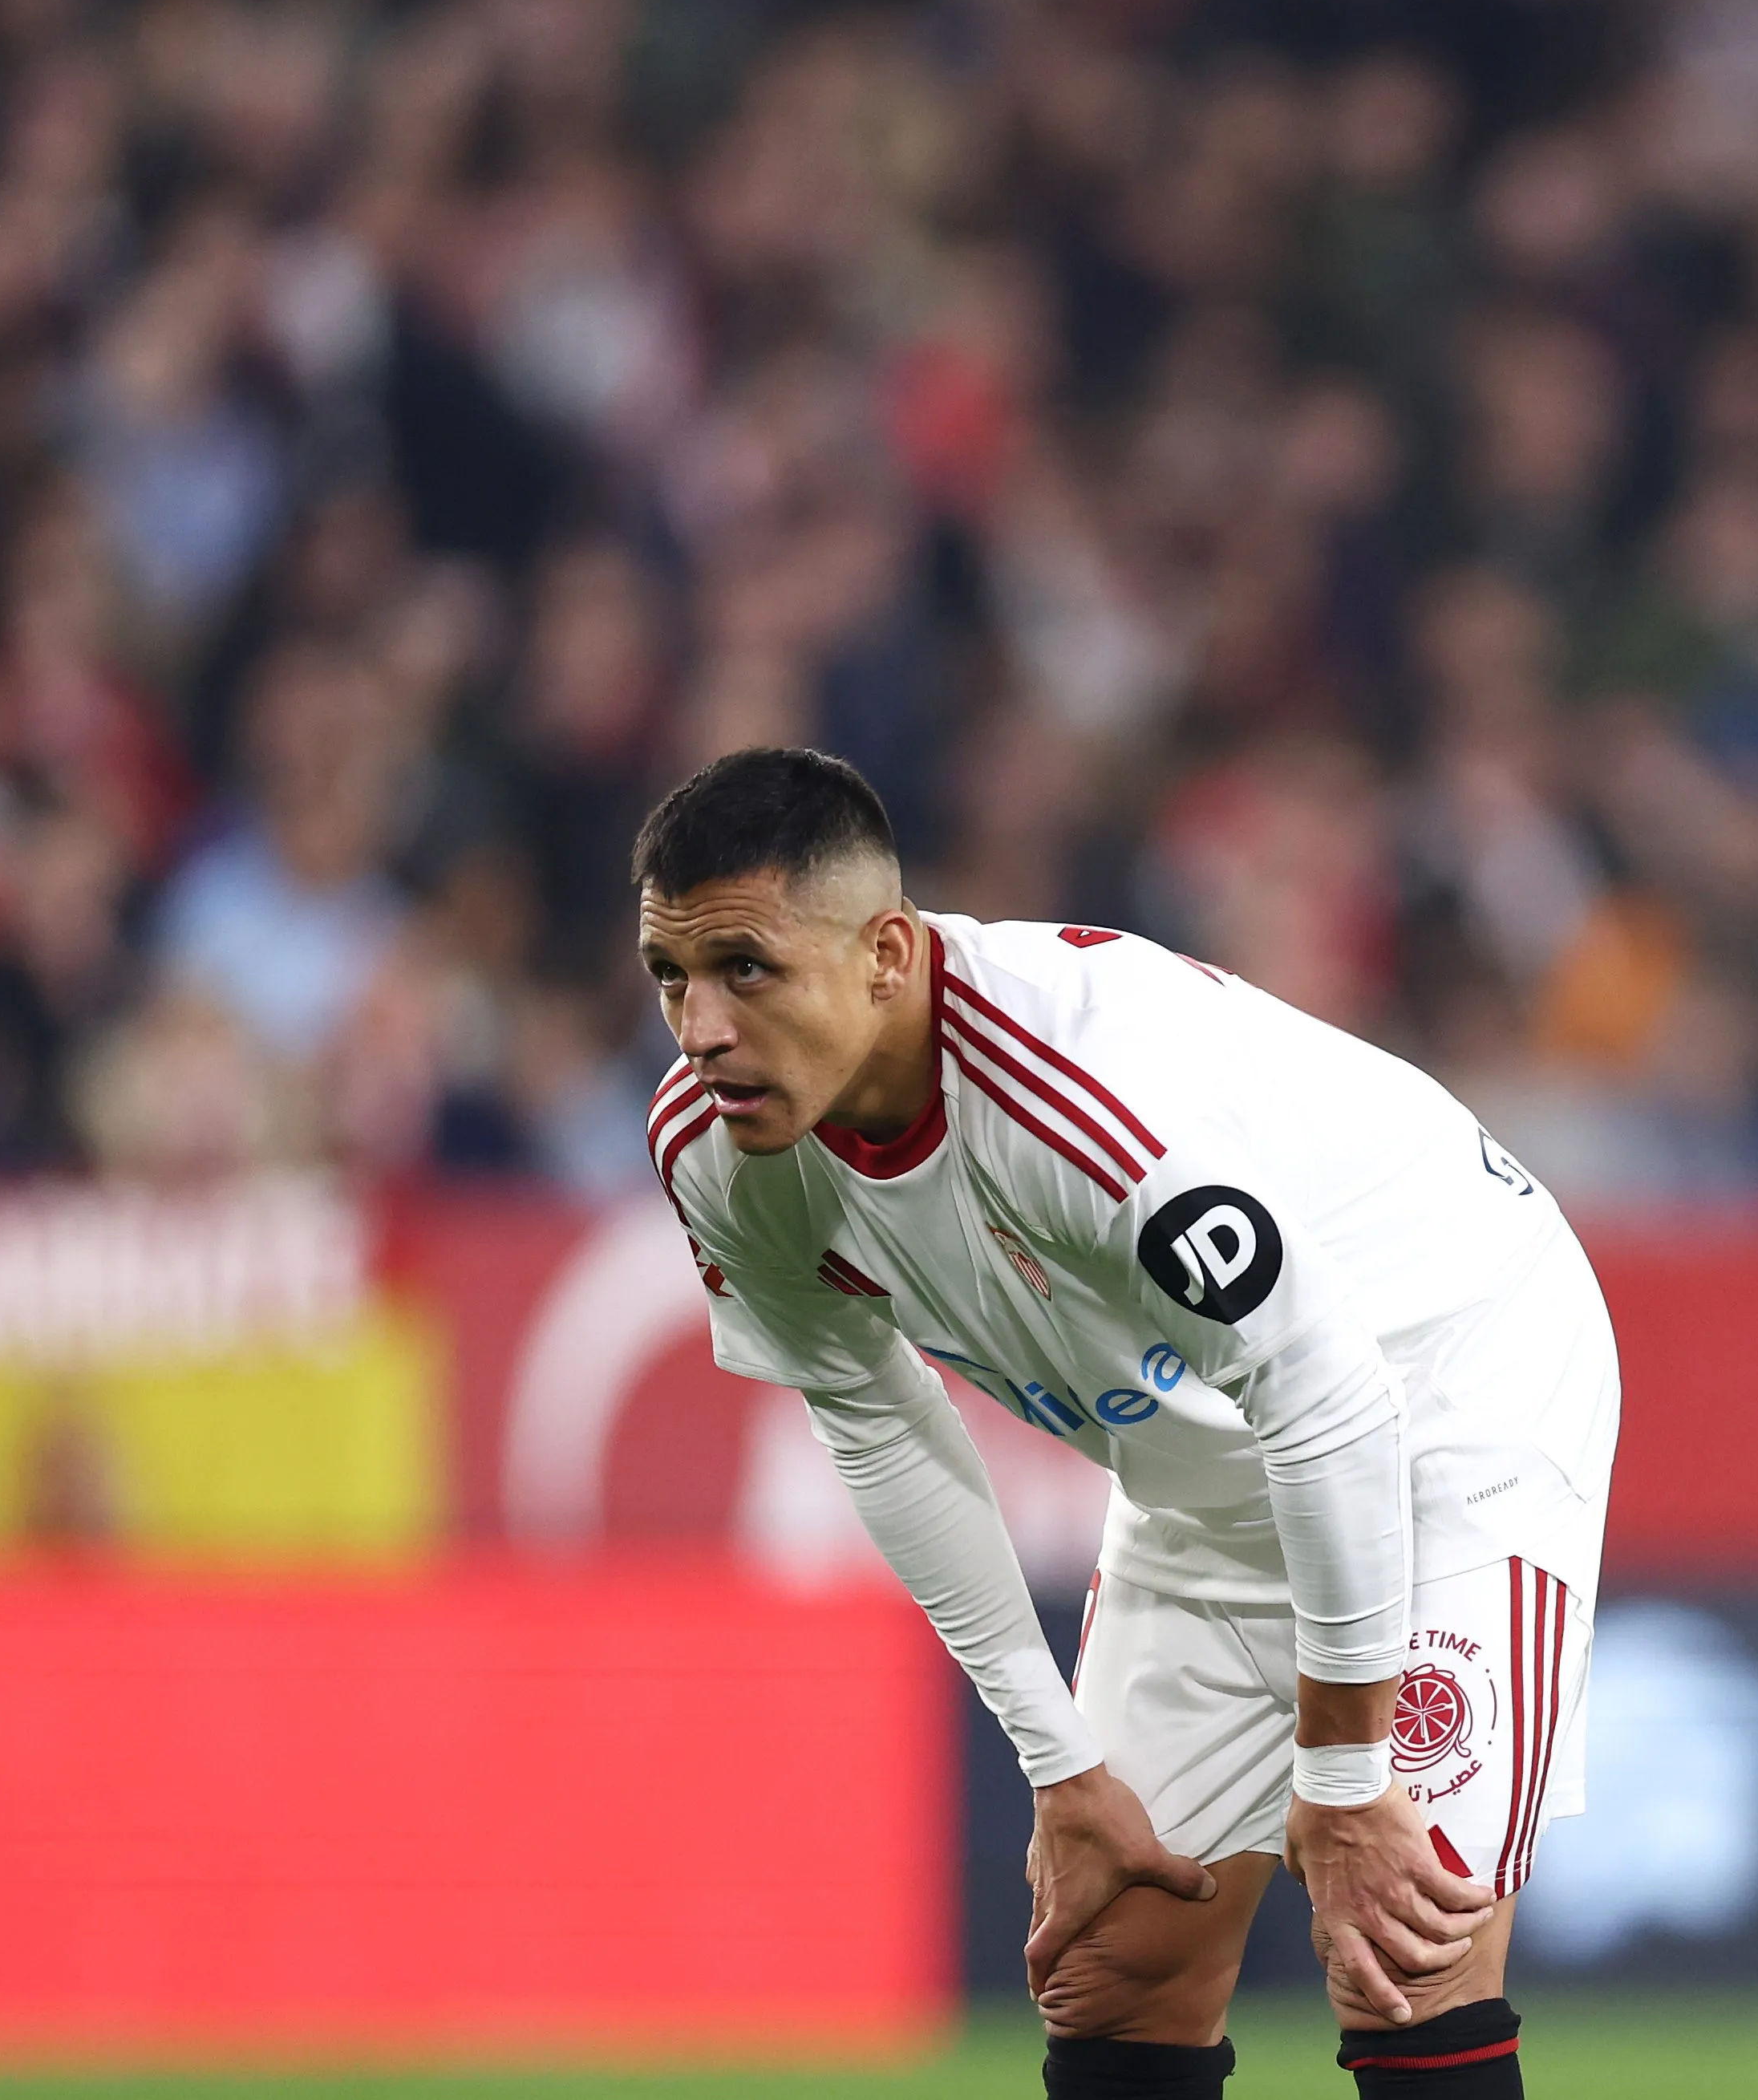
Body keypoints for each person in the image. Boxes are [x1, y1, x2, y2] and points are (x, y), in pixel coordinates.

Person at [634, 746, 1616, 2100]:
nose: (700, 1026)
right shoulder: (717, 1149)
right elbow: (873, 1419)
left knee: (1403, 1948)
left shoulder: (1078, 1095)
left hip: (1450, 1380)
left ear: (885, 953)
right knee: (1115, 1970)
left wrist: (1339, 1771)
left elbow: (1332, 1399)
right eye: (670, 975)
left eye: (747, 967)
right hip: (1207, 1446)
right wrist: (1060, 1761)